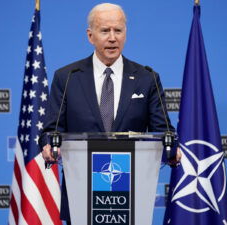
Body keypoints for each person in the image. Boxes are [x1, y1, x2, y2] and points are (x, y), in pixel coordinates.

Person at [40, 3, 180, 223]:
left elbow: (163, 130)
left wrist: (172, 147)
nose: (112, 38)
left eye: (118, 30)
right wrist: (49, 145)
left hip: (131, 193)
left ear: (126, 34)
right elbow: (51, 130)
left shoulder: (147, 78)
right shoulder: (67, 77)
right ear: (90, 35)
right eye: (105, 31)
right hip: (81, 191)